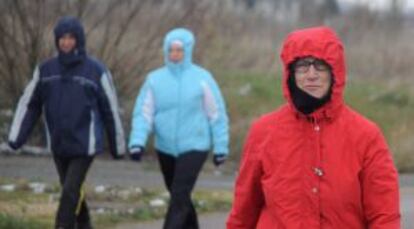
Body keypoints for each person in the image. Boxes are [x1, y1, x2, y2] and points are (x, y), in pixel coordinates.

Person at [227, 26, 400, 228]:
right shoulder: (264, 131)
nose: (311, 74)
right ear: (290, 74)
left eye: (320, 65)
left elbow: (384, 215)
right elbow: (243, 210)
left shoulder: (366, 135)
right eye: (302, 66)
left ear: (335, 72)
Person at [8, 16, 125, 229]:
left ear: (79, 40)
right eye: (62, 38)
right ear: (57, 40)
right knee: (71, 190)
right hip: (59, 143)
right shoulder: (45, 70)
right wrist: (17, 137)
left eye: (71, 38)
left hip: (85, 144)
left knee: (70, 190)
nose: (66, 42)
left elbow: (110, 109)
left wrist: (118, 146)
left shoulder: (96, 71)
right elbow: (30, 104)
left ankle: (62, 225)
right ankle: (85, 224)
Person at [129, 28, 229, 229]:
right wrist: (137, 141)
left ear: (188, 51)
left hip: (195, 145)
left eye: (179, 50)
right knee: (178, 193)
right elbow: (144, 113)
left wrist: (221, 147)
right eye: (171, 50)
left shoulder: (202, 78)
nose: (175, 54)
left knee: (180, 194)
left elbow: (216, 114)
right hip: (165, 147)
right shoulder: (154, 80)